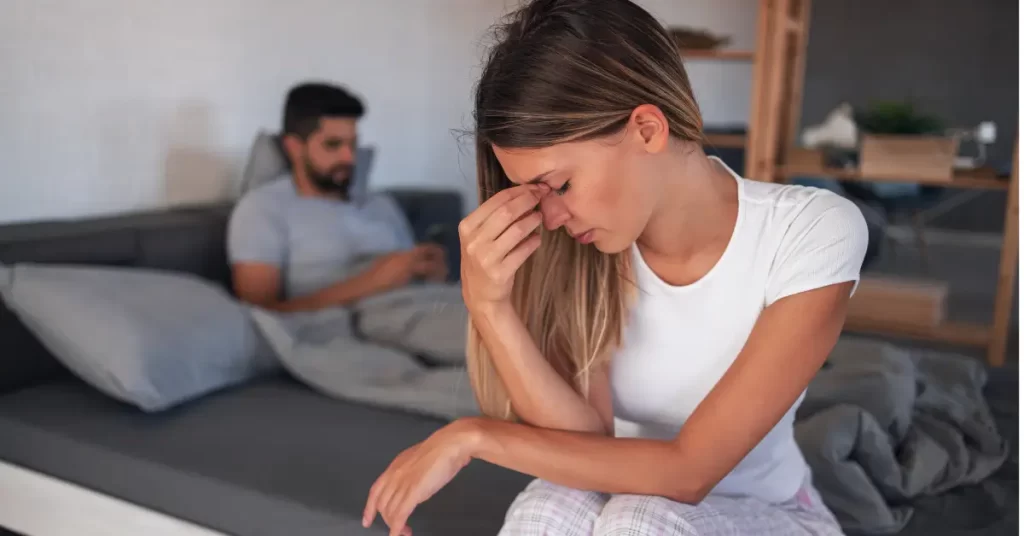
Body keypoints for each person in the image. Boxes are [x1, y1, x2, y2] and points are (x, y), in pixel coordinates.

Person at [362, 0, 867, 535]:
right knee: (546, 508)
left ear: (647, 129)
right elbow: (586, 443)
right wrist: (488, 306)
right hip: (625, 502)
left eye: (560, 185)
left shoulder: (812, 230)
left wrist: (472, 436)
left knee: (640, 520)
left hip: (772, 514)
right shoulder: (594, 251)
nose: (550, 218)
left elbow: (689, 473)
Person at [228, 82, 447, 312]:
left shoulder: (381, 204)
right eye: (333, 145)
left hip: (433, 306)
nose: (349, 157)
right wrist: (371, 283)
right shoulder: (262, 209)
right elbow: (259, 317)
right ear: (294, 147)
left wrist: (432, 274)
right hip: (372, 320)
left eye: (353, 144)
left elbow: (413, 274)